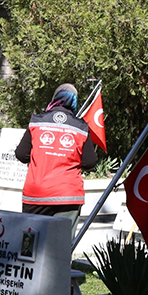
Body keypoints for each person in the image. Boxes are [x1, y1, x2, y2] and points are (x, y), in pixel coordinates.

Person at [14, 84, 98, 234]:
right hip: (68, 196)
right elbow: (90, 162)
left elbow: (21, 154)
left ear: (55, 98)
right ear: (73, 101)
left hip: (36, 195)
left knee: (30, 246)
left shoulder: (37, 122)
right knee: (61, 245)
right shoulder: (81, 127)